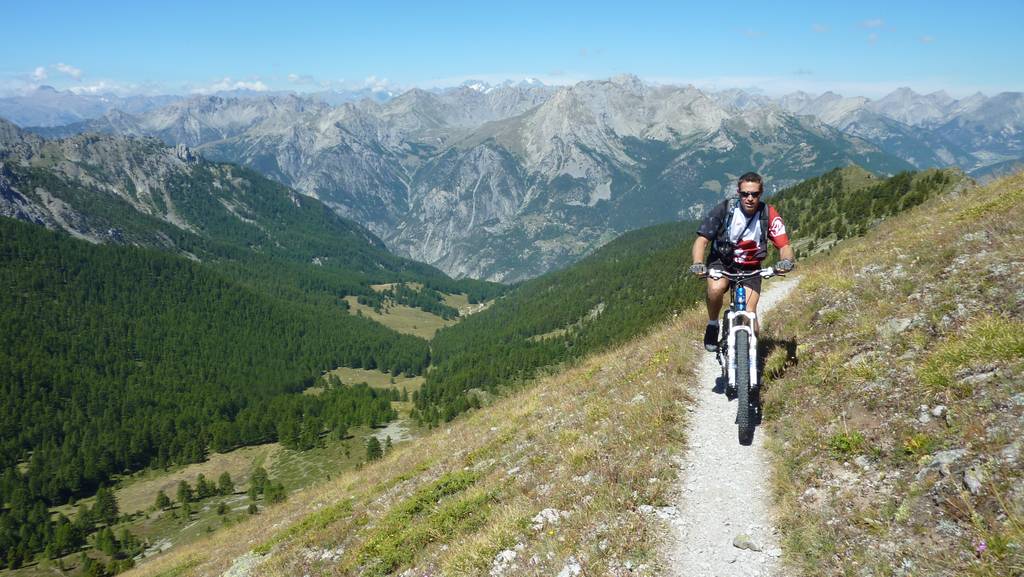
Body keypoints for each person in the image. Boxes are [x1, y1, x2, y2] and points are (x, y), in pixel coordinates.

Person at [690, 172, 795, 352]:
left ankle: (749, 360)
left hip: (750, 267)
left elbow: (784, 245)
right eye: (745, 193)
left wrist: (785, 261)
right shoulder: (724, 209)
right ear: (738, 193)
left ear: (760, 194)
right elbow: (702, 240)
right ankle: (713, 324)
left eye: (754, 194)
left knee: (749, 316)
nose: (749, 198)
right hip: (721, 262)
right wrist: (698, 262)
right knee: (715, 289)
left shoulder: (768, 214)